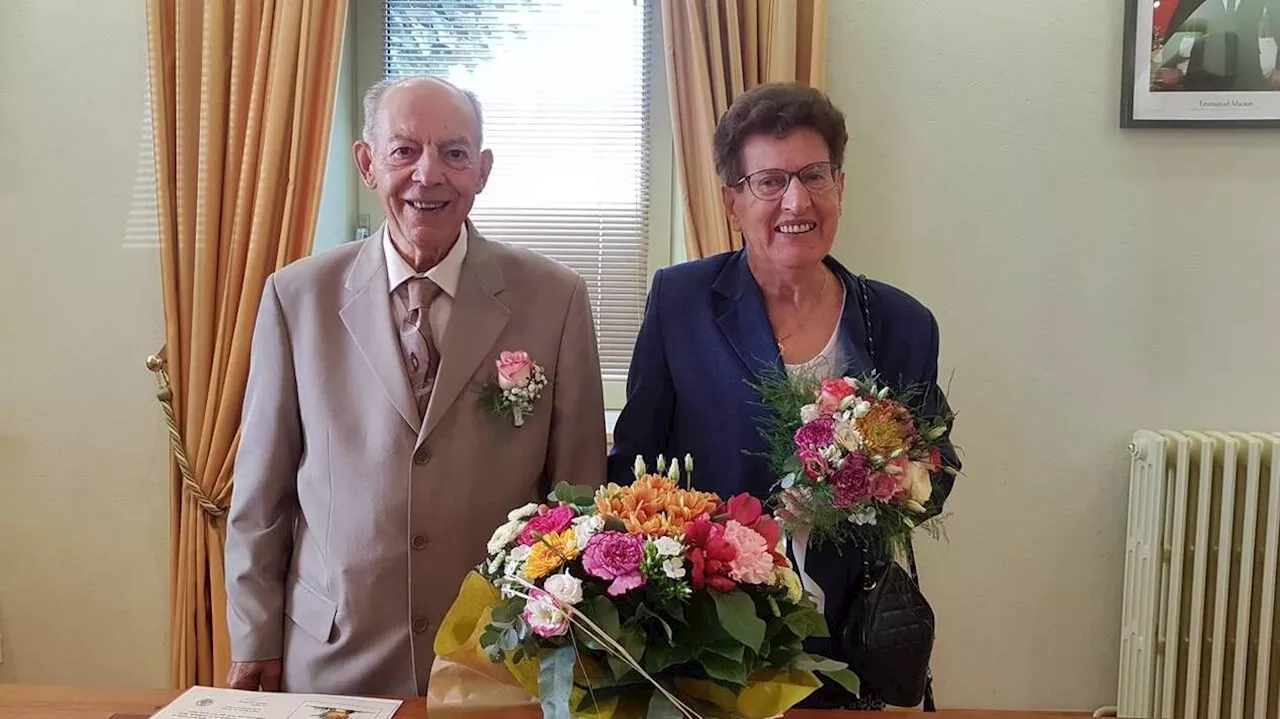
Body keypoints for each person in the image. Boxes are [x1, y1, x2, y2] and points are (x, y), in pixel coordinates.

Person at [224, 76, 607, 697]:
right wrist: (254, 637)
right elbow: (261, 496)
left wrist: (579, 645)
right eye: (404, 150)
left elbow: (579, 498)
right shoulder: (297, 297)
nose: (429, 175)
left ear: (481, 171)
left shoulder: (554, 298)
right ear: (367, 162)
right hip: (334, 653)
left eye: (454, 153)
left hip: (501, 653)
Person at [607, 83, 960, 710]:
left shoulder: (902, 322)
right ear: (732, 203)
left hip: (847, 643)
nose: (796, 201)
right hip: (710, 639)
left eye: (814, 176)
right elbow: (634, 463)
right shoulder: (680, 302)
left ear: (841, 188)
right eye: (769, 181)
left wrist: (887, 481)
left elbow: (938, 464)